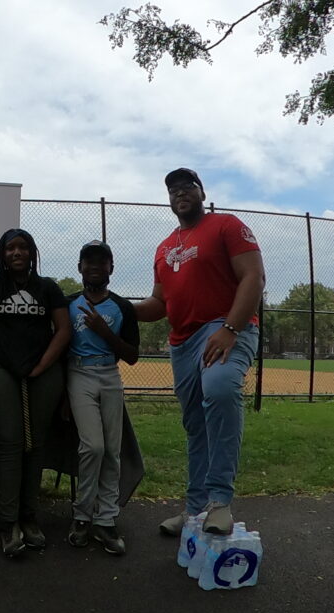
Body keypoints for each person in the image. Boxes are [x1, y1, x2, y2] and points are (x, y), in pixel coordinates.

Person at [134, 168, 264, 536]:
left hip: (224, 327)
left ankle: (220, 502)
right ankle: (195, 509)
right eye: (173, 189)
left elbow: (253, 277)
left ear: (202, 192)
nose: (180, 193)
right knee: (195, 425)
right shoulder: (163, 247)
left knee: (221, 390)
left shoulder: (226, 226)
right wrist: (116, 307)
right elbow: (159, 303)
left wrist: (229, 329)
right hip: (183, 341)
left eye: (187, 186)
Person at [0, 228, 71, 557]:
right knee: (10, 444)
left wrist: (43, 366)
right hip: (3, 369)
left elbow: (64, 330)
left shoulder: (48, 288)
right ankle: (7, 522)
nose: (16, 253)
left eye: (23, 247)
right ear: (2, 254)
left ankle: (30, 518)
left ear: (32, 252)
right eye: (10, 248)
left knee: (36, 445)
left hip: (42, 372)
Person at [63, 240, 140, 555]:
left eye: (102, 261)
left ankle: (105, 520)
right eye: (88, 261)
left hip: (109, 374)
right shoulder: (68, 303)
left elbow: (132, 356)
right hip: (78, 374)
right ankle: (82, 514)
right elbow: (59, 347)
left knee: (111, 450)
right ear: (79, 267)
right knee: (92, 446)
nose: (95, 267)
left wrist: (104, 332)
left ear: (111, 267)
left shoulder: (121, 307)